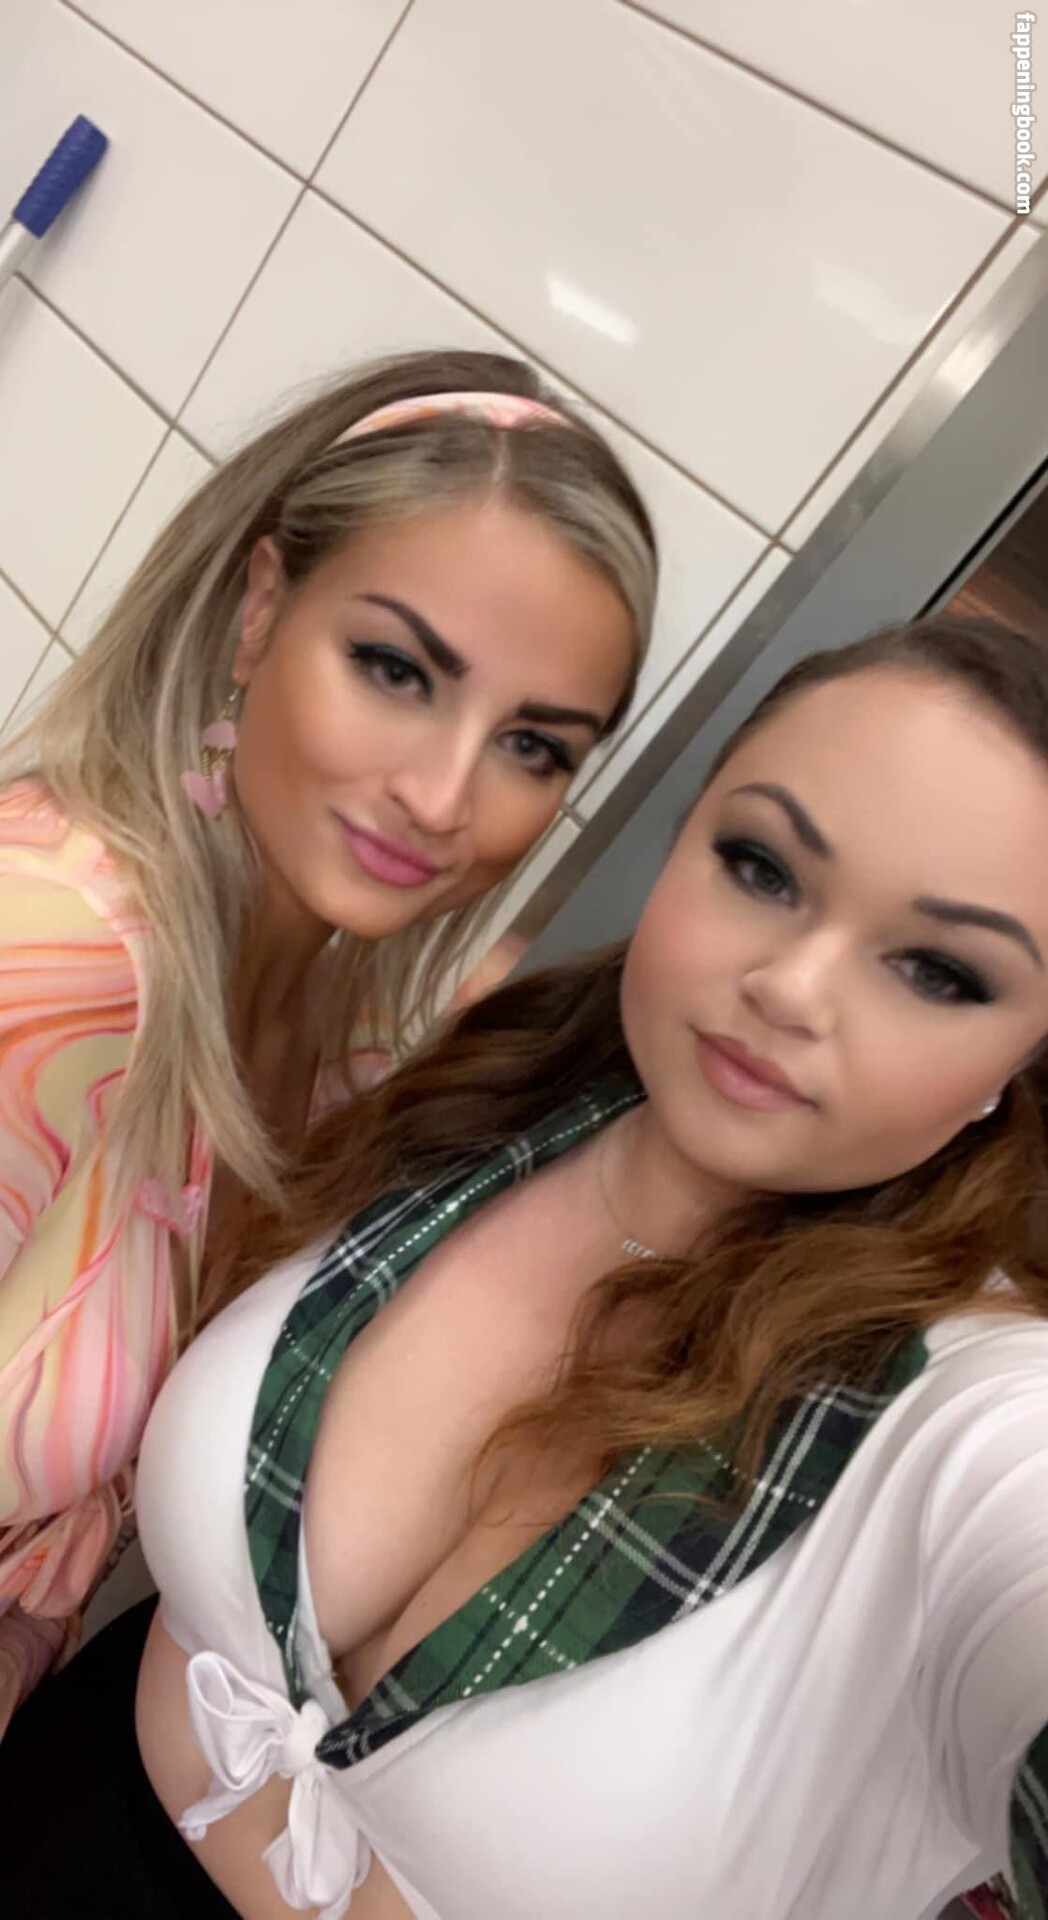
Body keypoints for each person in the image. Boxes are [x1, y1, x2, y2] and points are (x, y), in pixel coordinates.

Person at [7, 611, 1047, 1920]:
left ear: (1021, 1061)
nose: (792, 987)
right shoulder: (487, 1082)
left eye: (939, 970)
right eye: (762, 867)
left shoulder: (972, 1421)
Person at [0, 347, 656, 1731]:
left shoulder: (352, 1055)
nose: (443, 796)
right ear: (257, 611)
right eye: (394, 669)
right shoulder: (50, 954)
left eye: (534, 746)